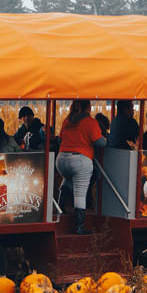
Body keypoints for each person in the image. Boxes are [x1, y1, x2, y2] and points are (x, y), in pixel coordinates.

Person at [56, 100, 106, 235]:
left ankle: (59, 208)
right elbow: (99, 142)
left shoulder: (67, 121)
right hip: (80, 159)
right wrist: (106, 138)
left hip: (61, 159)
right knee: (80, 192)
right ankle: (80, 226)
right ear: (88, 107)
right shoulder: (90, 122)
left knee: (67, 180)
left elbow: (60, 140)